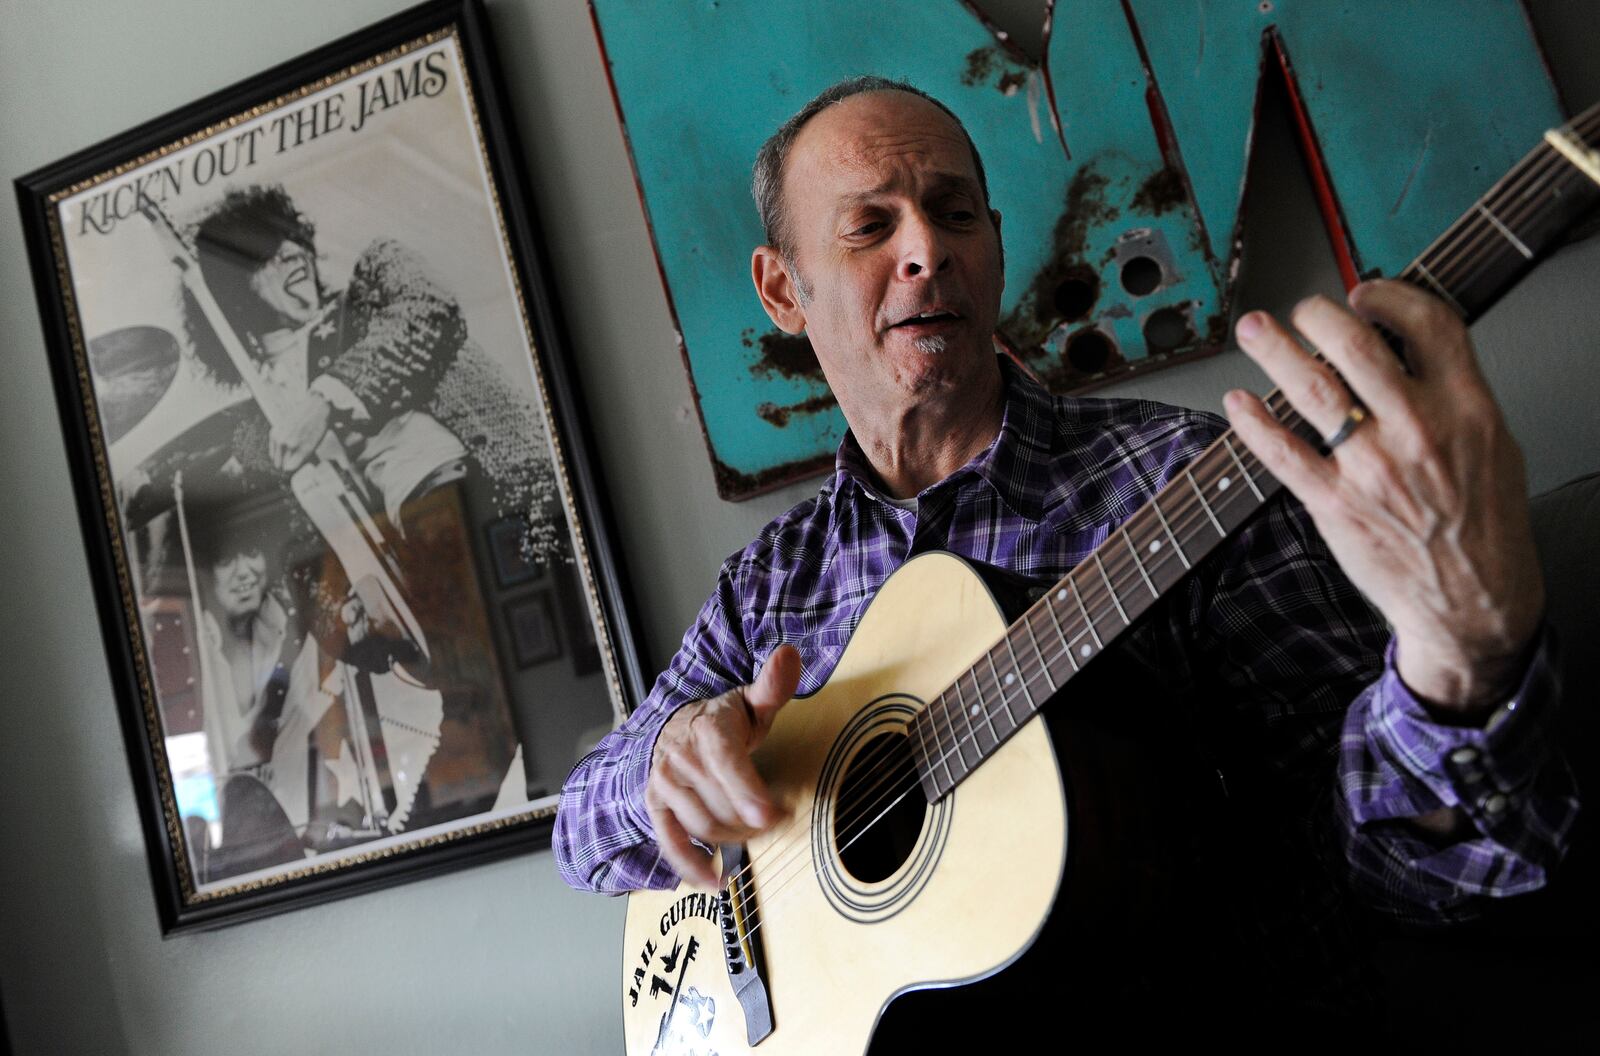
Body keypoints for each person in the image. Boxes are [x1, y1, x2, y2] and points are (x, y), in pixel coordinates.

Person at [554, 78, 1577, 1031]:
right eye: (871, 225)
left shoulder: (1194, 480)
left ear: (994, 247)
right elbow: (579, 839)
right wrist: (662, 759)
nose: (926, 251)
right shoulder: (767, 587)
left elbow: (1394, 873)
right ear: (783, 289)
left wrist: (1457, 669)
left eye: (955, 215)